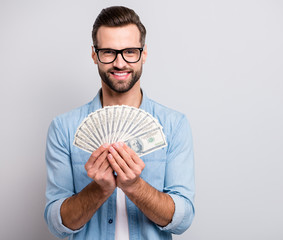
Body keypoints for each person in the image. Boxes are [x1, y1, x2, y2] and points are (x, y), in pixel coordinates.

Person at [44, 6, 195, 240]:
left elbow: (182, 220)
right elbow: (57, 224)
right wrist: (99, 189)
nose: (120, 63)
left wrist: (135, 186)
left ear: (143, 54)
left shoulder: (174, 125)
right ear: (94, 55)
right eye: (108, 52)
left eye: (130, 52)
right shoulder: (63, 128)